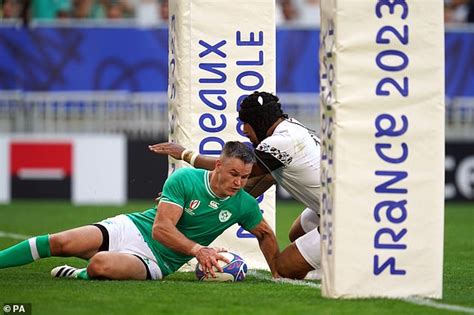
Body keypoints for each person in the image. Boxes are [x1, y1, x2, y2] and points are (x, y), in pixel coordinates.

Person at [0, 141, 280, 280]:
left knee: (99, 265)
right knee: (58, 242)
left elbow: (265, 233)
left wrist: (277, 273)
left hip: (158, 261)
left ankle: (77, 274)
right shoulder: (185, 179)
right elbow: (160, 229)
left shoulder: (242, 203)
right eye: (234, 174)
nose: (239, 182)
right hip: (133, 228)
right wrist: (198, 250)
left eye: (244, 177)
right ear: (218, 165)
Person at [149, 91, 321, 279]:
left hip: (339, 214)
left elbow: (231, 166)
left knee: (285, 268)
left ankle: (338, 269)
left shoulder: (281, 142)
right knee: (297, 234)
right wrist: (186, 199)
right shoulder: (291, 128)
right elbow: (263, 179)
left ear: (256, 121)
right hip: (327, 206)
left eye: (245, 124)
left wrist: (186, 154)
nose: (245, 132)